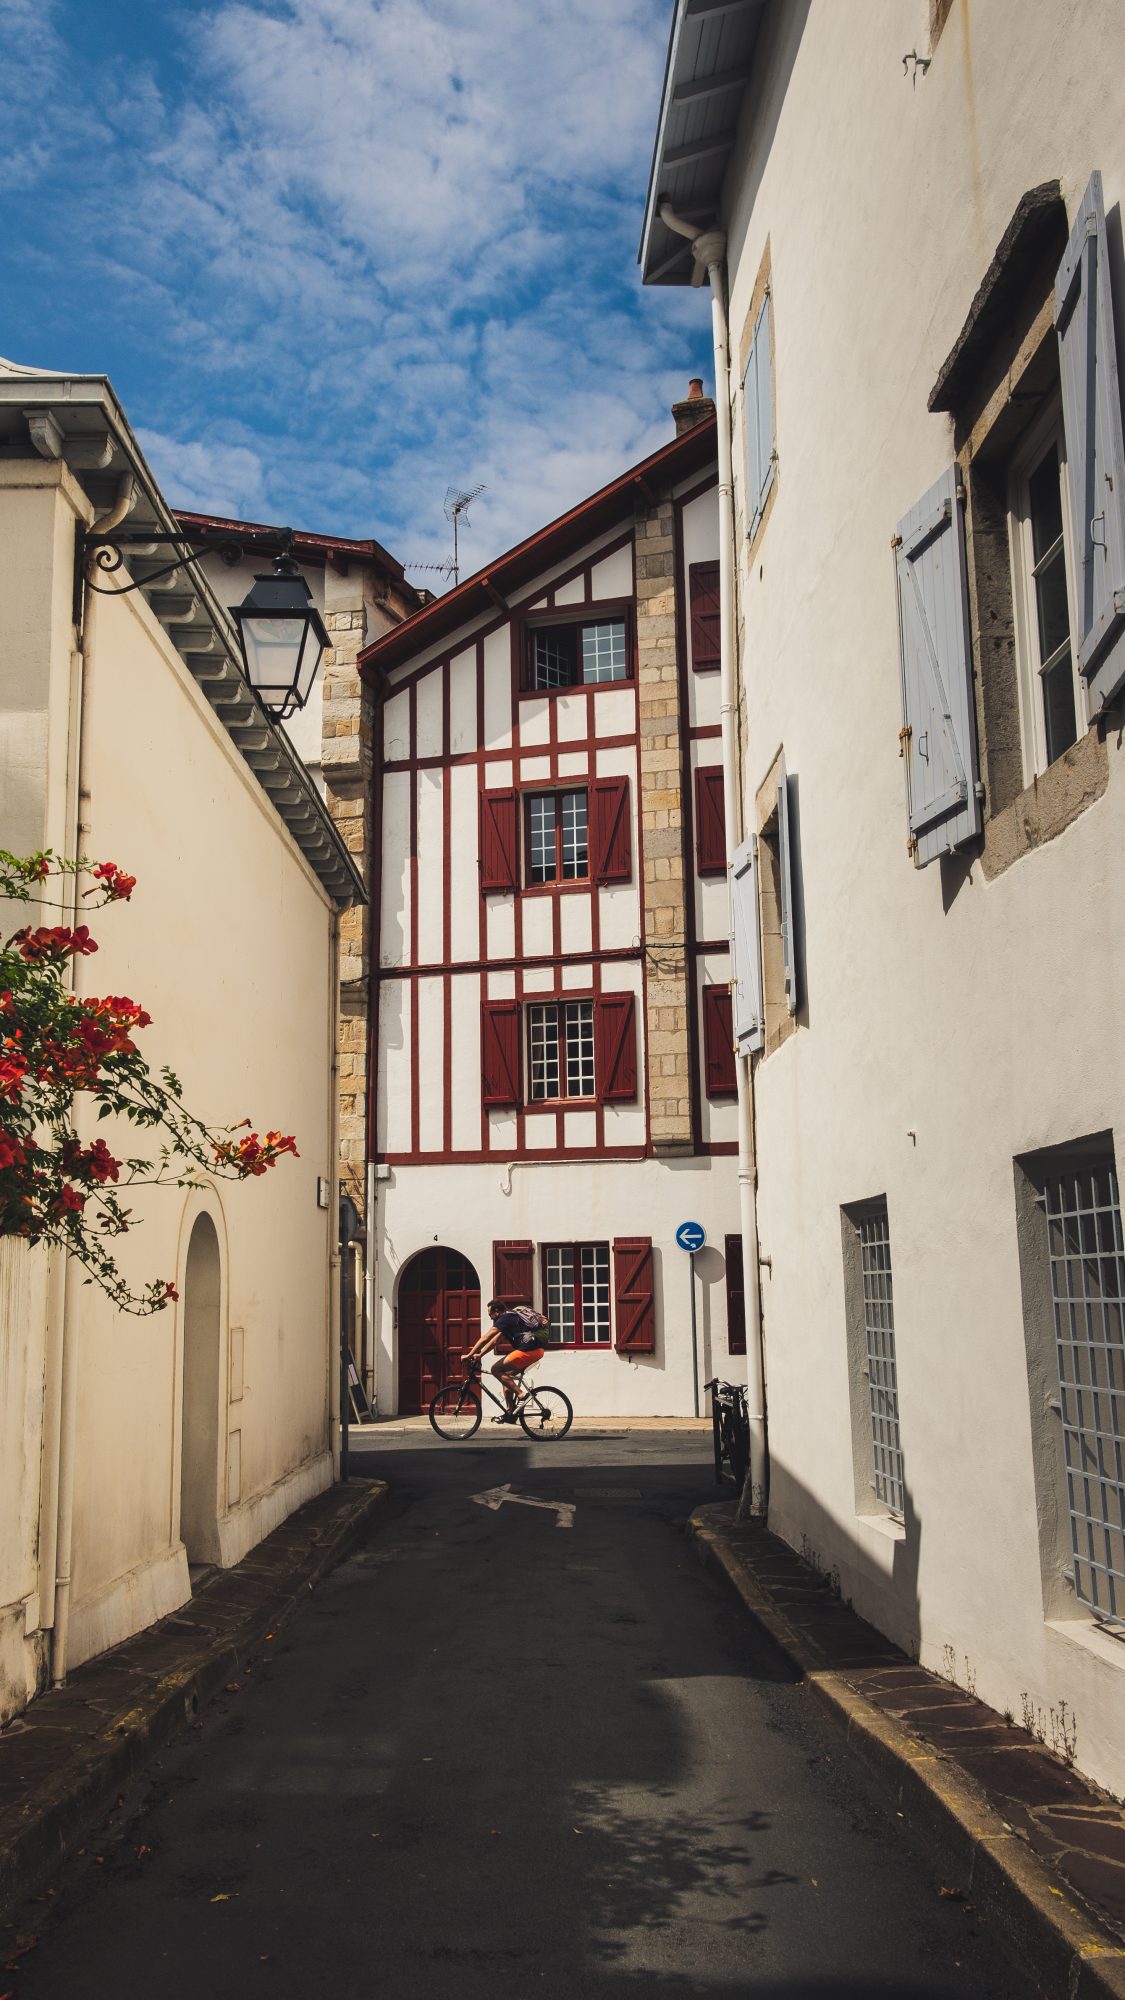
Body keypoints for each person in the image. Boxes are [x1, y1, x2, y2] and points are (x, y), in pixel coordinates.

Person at [463, 1298, 547, 1423]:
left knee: (495, 1369)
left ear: (497, 1312)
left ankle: (522, 1395)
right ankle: (510, 1414)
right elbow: (494, 1342)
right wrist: (479, 1355)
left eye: (490, 1314)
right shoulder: (509, 1320)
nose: (491, 1318)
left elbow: (486, 1337)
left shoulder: (505, 1319)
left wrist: (469, 1354)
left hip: (529, 1350)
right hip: (534, 1351)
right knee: (506, 1378)